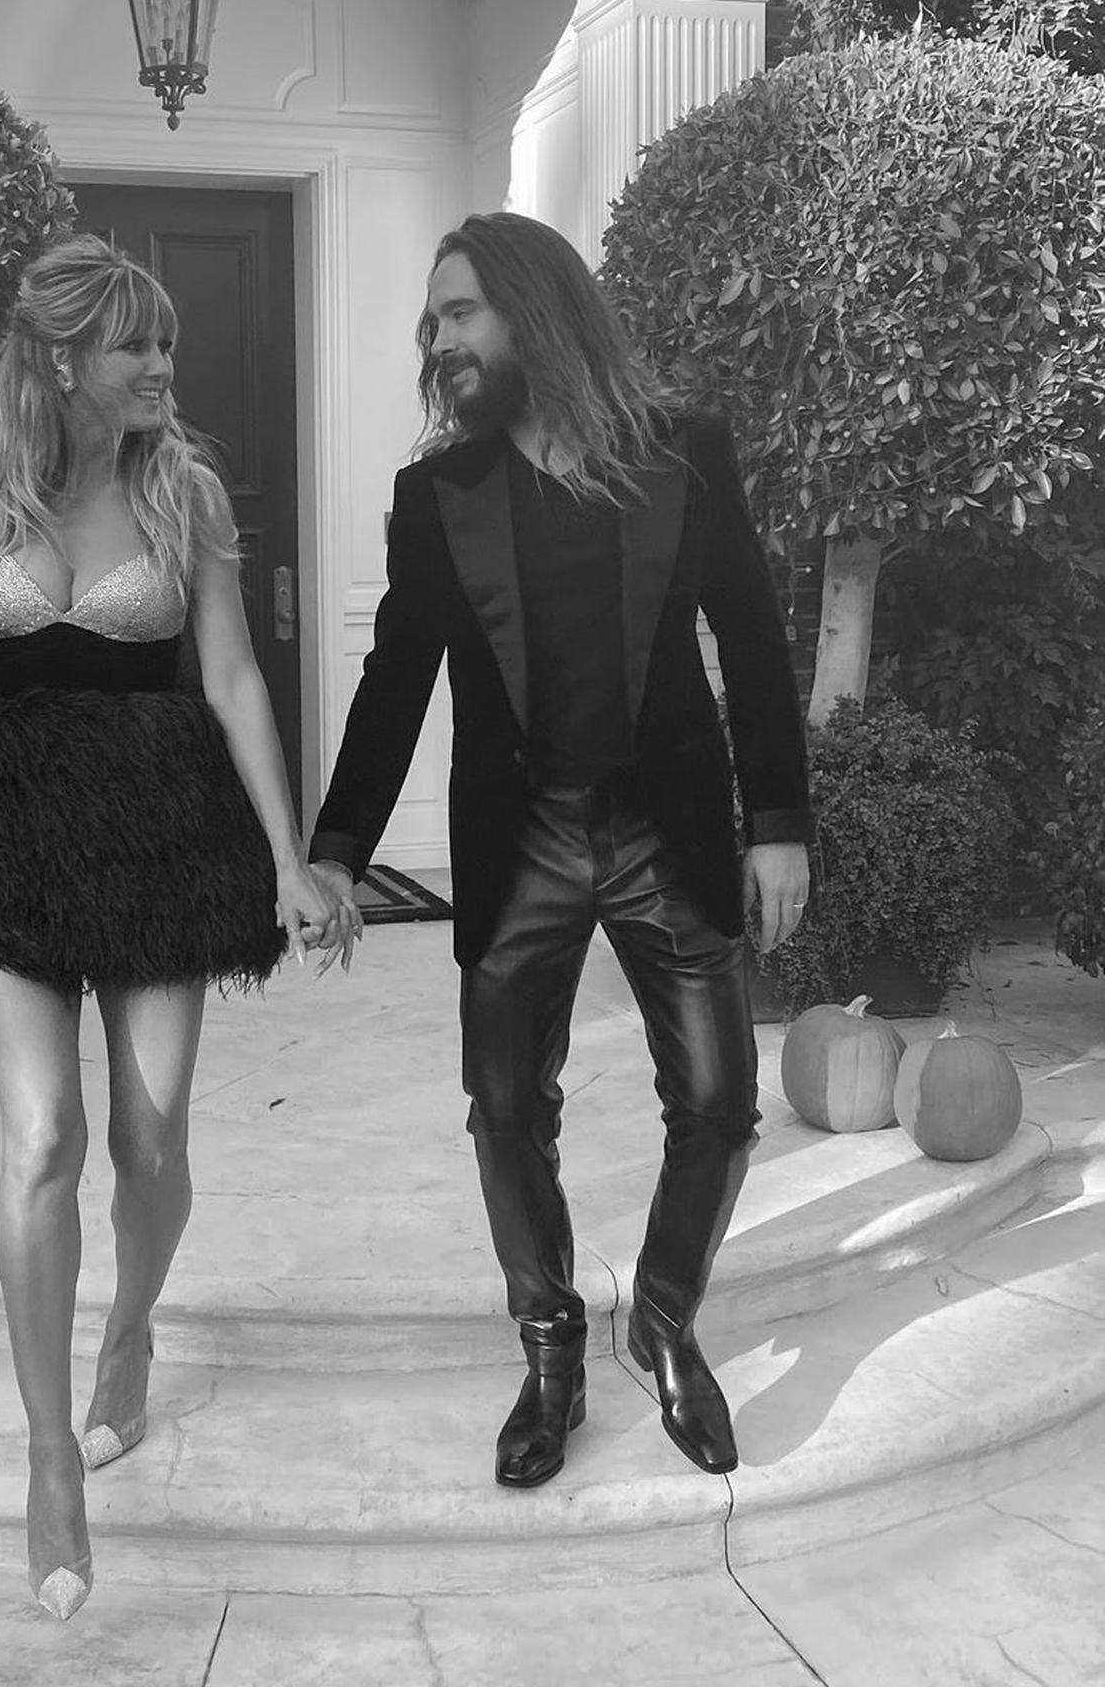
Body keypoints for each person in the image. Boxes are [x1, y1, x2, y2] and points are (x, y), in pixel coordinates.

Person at [306, 212, 812, 1488]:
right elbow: (394, 681)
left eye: (459, 313)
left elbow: (754, 640)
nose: (438, 341)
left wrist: (779, 825)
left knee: (719, 1106)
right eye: (432, 321)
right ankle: (551, 1348)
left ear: (533, 310)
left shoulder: (682, 451)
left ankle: (665, 1320)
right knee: (506, 1109)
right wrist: (339, 850)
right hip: (520, 835)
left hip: (663, 828)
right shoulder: (439, 495)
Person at [0, 235, 337, 1619]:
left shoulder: (183, 492)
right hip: (9, 843)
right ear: (65, 357)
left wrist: (288, 860)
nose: (161, 368)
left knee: (150, 1137)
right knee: (42, 1140)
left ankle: (128, 1334)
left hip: (156, 842)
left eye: (167, 344)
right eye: (136, 344)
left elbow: (233, 678)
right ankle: (47, 1462)